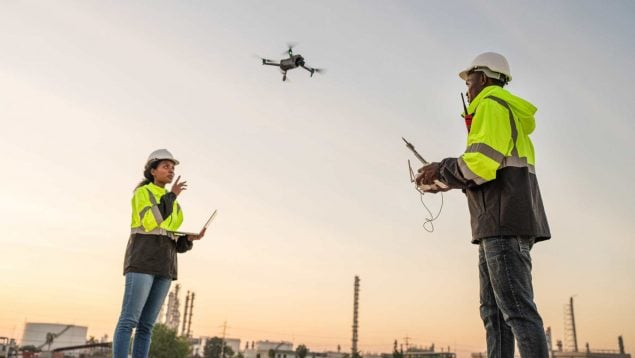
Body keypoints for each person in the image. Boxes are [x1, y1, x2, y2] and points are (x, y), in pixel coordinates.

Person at [416, 52, 551, 357]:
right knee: (494, 315)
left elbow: (480, 165)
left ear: (485, 78)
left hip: (503, 224)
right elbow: (486, 172)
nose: (466, 86)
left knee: (516, 312)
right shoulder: (504, 112)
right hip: (497, 222)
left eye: (469, 79)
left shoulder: (490, 105)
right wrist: (444, 181)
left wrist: (441, 169)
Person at [113, 149, 205, 358]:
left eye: (173, 168)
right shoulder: (142, 194)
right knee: (129, 320)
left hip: (165, 267)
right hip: (142, 262)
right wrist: (172, 195)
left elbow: (172, 241)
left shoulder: (175, 203)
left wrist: (188, 240)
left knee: (147, 326)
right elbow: (151, 221)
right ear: (152, 170)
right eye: (166, 166)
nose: (171, 171)